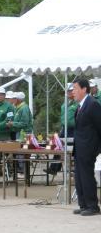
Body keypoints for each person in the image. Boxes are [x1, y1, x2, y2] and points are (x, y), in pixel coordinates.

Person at [72, 78, 101, 216]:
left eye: (76, 89)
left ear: (84, 89)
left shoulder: (93, 104)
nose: (73, 92)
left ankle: (92, 206)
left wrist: (97, 148)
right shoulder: (80, 105)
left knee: (87, 176)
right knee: (79, 176)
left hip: (89, 147)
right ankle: (83, 204)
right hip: (79, 148)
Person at [46, 83, 77, 175]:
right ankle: (54, 168)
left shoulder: (77, 102)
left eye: (70, 91)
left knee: (72, 149)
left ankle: (73, 169)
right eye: (67, 91)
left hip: (73, 129)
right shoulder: (65, 103)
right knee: (59, 147)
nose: (68, 93)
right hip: (65, 128)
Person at [6, 92, 33, 176]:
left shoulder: (23, 108)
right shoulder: (18, 107)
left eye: (14, 98)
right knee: (19, 152)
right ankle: (20, 170)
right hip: (19, 133)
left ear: (17, 99)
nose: (12, 100)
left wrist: (13, 124)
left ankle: (23, 170)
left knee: (21, 152)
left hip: (24, 134)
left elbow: (24, 123)